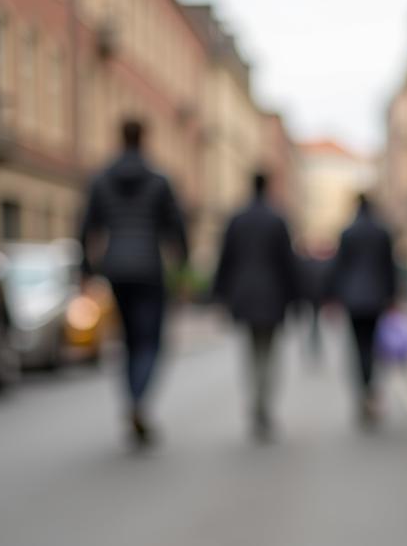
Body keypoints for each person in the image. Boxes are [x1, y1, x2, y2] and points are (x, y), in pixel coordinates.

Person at [80, 118, 188, 446]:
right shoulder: (158, 181)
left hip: (116, 269)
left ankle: (132, 401)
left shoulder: (101, 179)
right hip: (149, 269)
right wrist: (181, 268)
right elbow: (176, 229)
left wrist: (85, 269)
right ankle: (139, 401)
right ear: (144, 138)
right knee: (150, 343)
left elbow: (86, 226)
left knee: (128, 342)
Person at [213, 173, 299, 441]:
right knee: (270, 353)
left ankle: (255, 403)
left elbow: (225, 258)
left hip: (244, 294)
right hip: (272, 295)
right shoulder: (277, 219)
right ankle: (264, 405)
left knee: (250, 353)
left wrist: (219, 295)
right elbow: (288, 262)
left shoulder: (237, 219)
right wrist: (294, 297)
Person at [326, 194, 397, 425]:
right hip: (377, 298)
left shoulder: (347, 233)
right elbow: (389, 267)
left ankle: (363, 391)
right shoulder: (382, 231)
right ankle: (370, 389)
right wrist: (393, 297)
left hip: (353, 299)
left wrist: (334, 297)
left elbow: (339, 267)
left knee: (358, 347)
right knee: (373, 346)